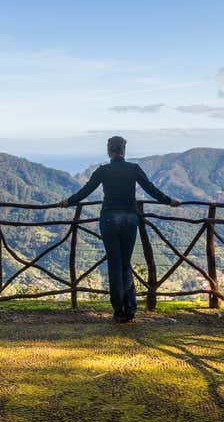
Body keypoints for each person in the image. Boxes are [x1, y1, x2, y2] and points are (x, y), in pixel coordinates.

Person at [57, 136, 180, 323]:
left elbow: (86, 191)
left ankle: (119, 310)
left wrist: (68, 202)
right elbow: (151, 189)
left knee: (114, 264)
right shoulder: (134, 169)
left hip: (109, 219)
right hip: (130, 218)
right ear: (124, 150)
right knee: (125, 263)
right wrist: (169, 201)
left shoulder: (103, 171)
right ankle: (130, 308)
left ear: (109, 151)